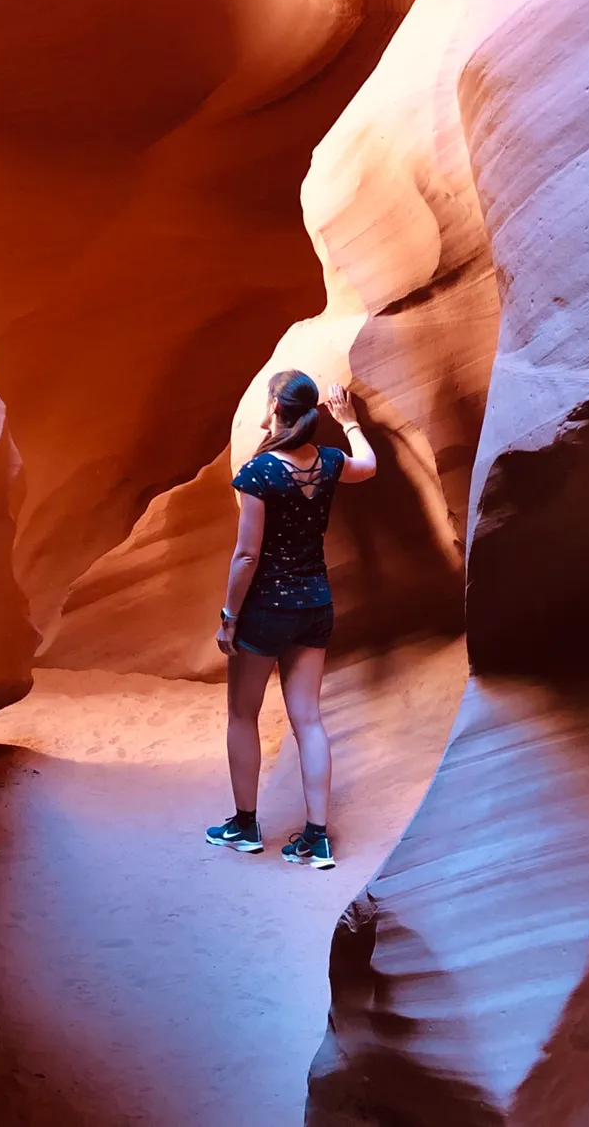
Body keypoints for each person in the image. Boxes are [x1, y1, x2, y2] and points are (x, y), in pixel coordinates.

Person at [205, 371, 377, 869]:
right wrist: (349, 423)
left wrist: (229, 617)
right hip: (314, 605)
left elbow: (245, 556)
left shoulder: (259, 472)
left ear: (276, 407)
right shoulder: (327, 464)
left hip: (265, 610)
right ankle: (317, 837)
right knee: (309, 719)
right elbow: (368, 465)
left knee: (243, 714)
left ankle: (243, 825)